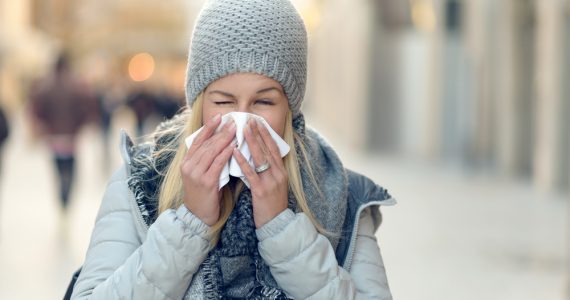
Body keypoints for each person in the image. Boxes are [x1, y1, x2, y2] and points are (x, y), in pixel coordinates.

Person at [71, 0, 396, 299]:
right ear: (199, 102)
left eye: (264, 101)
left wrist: (281, 227)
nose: (243, 118)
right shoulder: (141, 180)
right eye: (224, 101)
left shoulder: (343, 193)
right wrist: (189, 224)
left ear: (290, 109)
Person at [29, 53, 97, 212]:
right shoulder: (77, 85)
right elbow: (88, 108)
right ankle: (66, 197)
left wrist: (44, 127)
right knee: (70, 170)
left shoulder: (45, 86)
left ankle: (62, 197)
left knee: (58, 170)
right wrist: (80, 126)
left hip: (53, 138)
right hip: (71, 138)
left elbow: (37, 109)